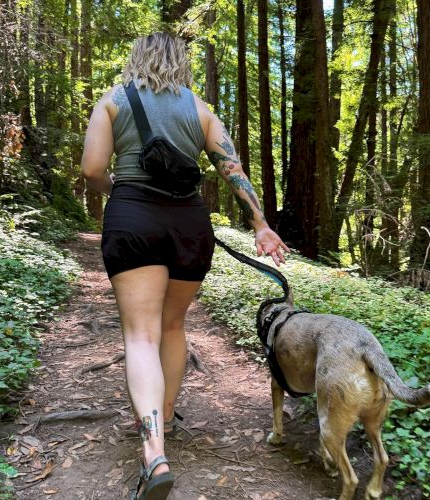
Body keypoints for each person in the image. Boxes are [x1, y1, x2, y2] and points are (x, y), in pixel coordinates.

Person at [81, 32, 289, 499]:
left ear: (137, 58)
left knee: (141, 335)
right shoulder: (200, 109)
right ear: (182, 64)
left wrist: (123, 192)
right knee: (172, 326)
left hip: (133, 215)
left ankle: (153, 450)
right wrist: (260, 223)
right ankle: (168, 418)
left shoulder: (112, 101)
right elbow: (231, 168)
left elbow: (93, 170)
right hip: (190, 225)